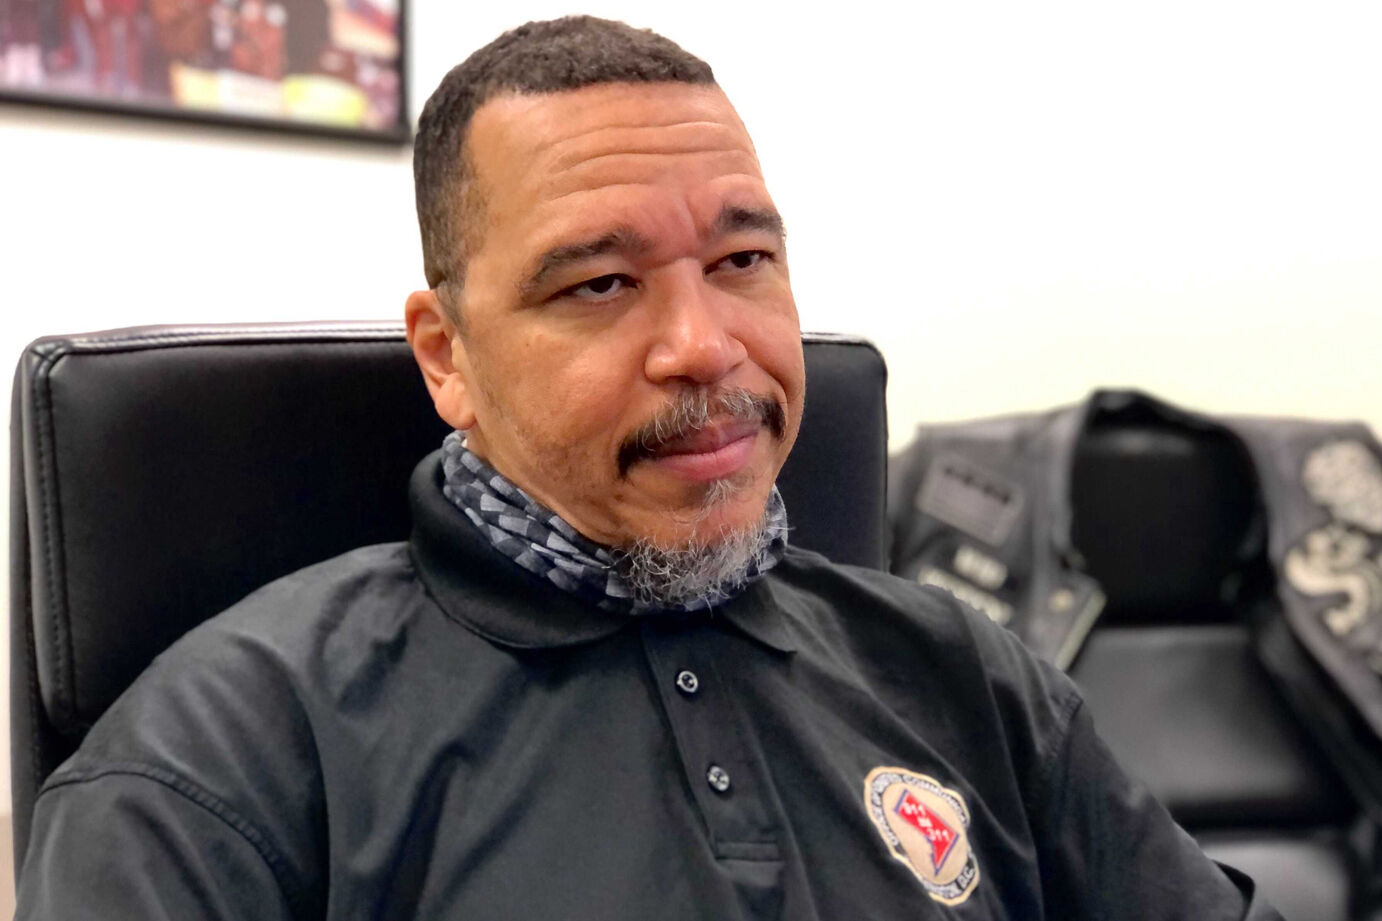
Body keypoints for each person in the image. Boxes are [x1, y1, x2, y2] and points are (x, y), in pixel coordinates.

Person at [15, 16, 1283, 920]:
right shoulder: (220, 763)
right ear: (447, 356)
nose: (703, 346)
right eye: (601, 284)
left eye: (742, 263)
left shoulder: (963, 678)